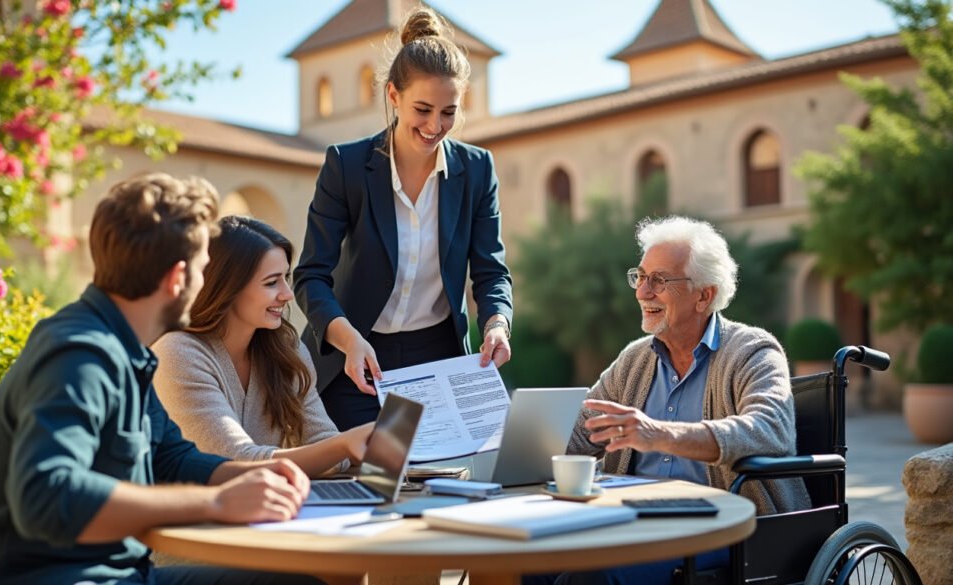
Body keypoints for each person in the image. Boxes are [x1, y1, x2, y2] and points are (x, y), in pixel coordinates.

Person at [0, 174, 323, 585]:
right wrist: (215, 502)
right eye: (203, 269)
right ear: (178, 278)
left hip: (119, 574)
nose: (206, 283)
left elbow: (173, 458)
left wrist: (261, 477)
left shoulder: (128, 350)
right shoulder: (79, 354)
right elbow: (47, 497)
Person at [530, 216, 810, 585]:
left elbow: (771, 431)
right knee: (526, 566)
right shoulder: (635, 359)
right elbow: (580, 433)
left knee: (590, 579)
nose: (642, 292)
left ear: (704, 295)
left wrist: (661, 434)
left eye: (659, 280)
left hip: (723, 528)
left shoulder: (753, 350)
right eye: (641, 276)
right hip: (630, 523)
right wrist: (504, 448)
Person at [294, 7, 514, 431]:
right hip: (354, 360)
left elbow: (491, 272)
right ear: (393, 95)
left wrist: (497, 324)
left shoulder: (478, 170)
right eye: (423, 109)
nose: (436, 126)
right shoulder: (347, 166)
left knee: (438, 482)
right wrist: (347, 339)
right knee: (367, 479)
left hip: (438, 360)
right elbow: (310, 276)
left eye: (449, 111)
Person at [152, 216, 373, 478]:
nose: (287, 294)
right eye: (271, 282)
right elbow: (236, 460)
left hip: (264, 509)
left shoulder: (286, 348)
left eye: (286, 278)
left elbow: (322, 441)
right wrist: (342, 445)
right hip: (192, 514)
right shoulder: (178, 354)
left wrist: (353, 448)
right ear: (228, 288)